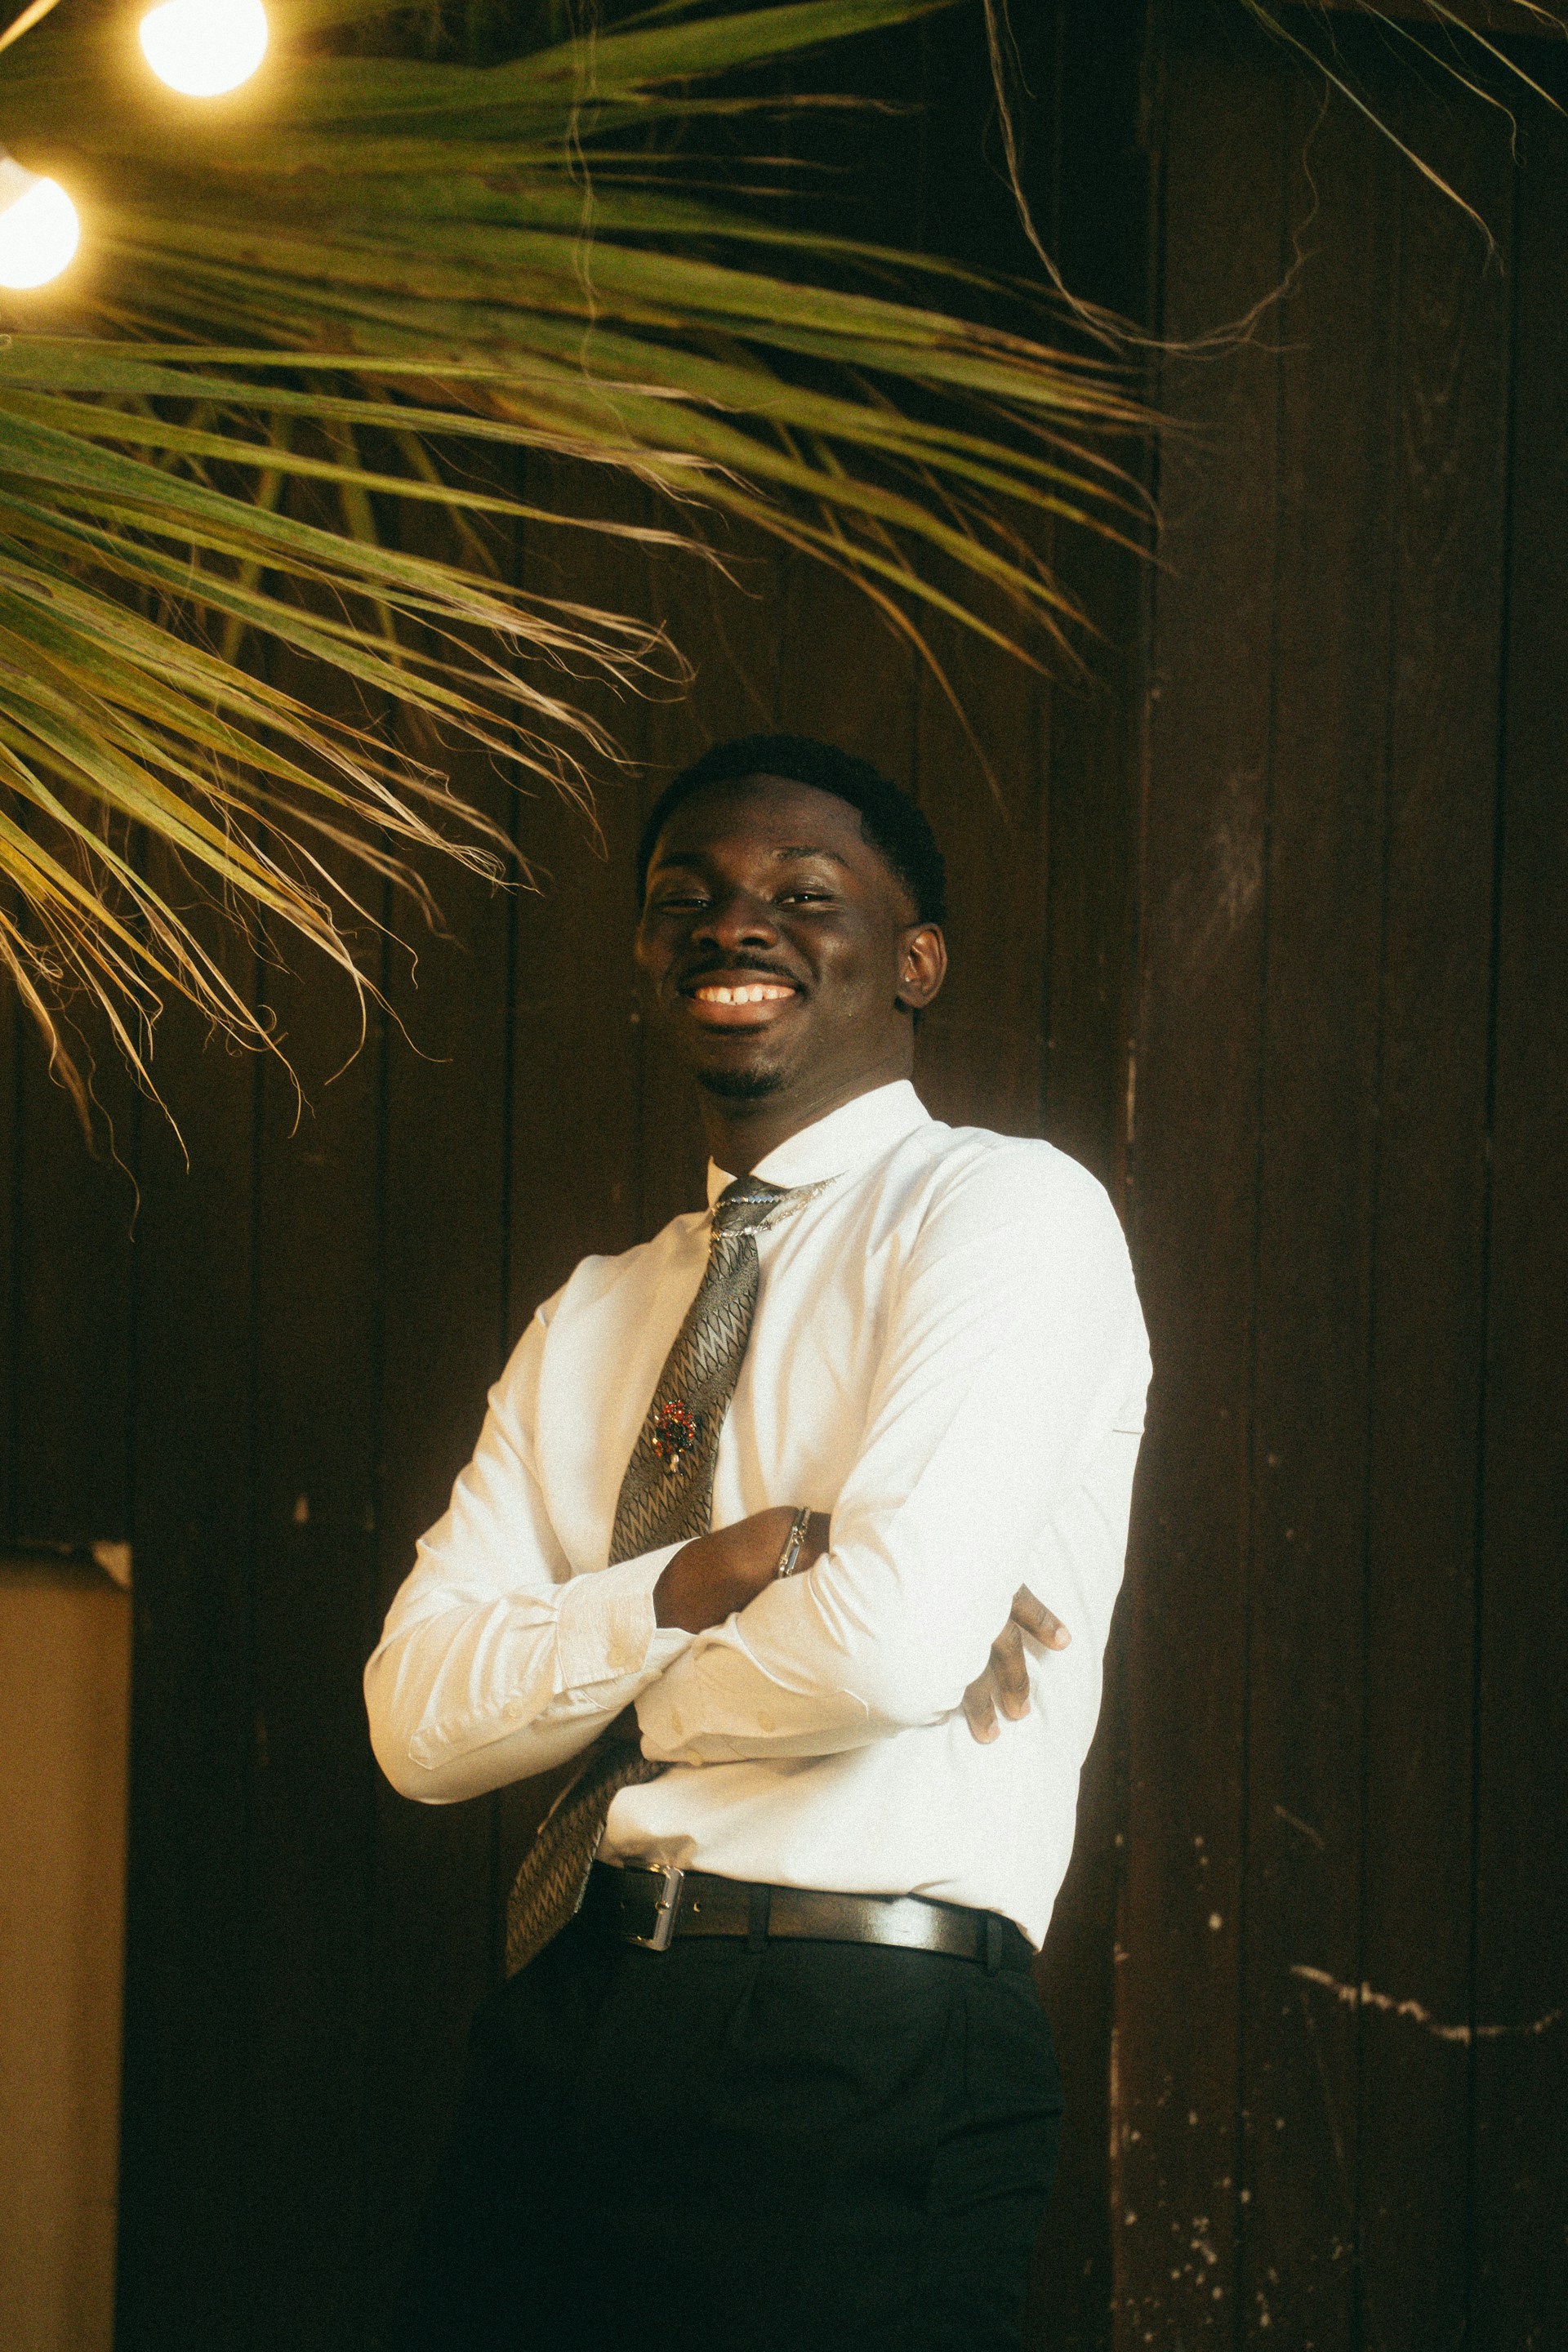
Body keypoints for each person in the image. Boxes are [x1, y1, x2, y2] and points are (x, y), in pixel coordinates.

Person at [365, 733, 1150, 2352]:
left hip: (862, 2040)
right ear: (649, 954)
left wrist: (608, 1721)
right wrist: (704, 1574)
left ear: (913, 960)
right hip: (572, 2013)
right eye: (689, 900)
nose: (739, 926)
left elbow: (889, 1645)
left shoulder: (1006, 1213)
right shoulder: (591, 1314)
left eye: (806, 894)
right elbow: (417, 1723)